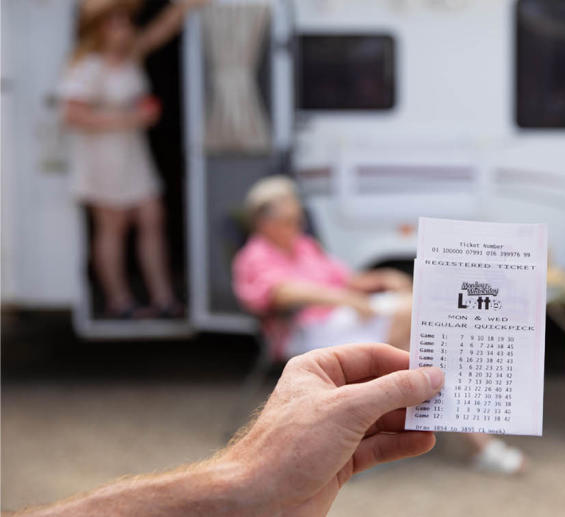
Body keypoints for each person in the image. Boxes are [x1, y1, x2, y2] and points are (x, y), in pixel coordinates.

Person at [232, 176, 526, 474]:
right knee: (421, 323)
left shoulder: (303, 246)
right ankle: (477, 441)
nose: (296, 226)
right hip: (305, 331)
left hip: (340, 320)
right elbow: (281, 292)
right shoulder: (254, 256)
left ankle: (468, 436)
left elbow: (347, 279)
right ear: (264, 222)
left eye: (298, 219)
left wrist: (383, 277)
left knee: (423, 329)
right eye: (289, 220)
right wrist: (345, 299)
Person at [13, 343, 444, 516]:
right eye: (285, 215)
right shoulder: (264, 253)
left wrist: (246, 483)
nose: (292, 220)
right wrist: (246, 480)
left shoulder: (301, 246)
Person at [59, 0, 207, 318]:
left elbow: (162, 29)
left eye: (126, 21)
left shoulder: (131, 56)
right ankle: (119, 299)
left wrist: (185, 7)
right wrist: (130, 118)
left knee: (152, 216)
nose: (124, 29)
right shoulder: (86, 66)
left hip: (132, 153)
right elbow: (72, 115)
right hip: (102, 155)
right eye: (116, 22)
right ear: (98, 29)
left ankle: (162, 297)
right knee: (112, 226)